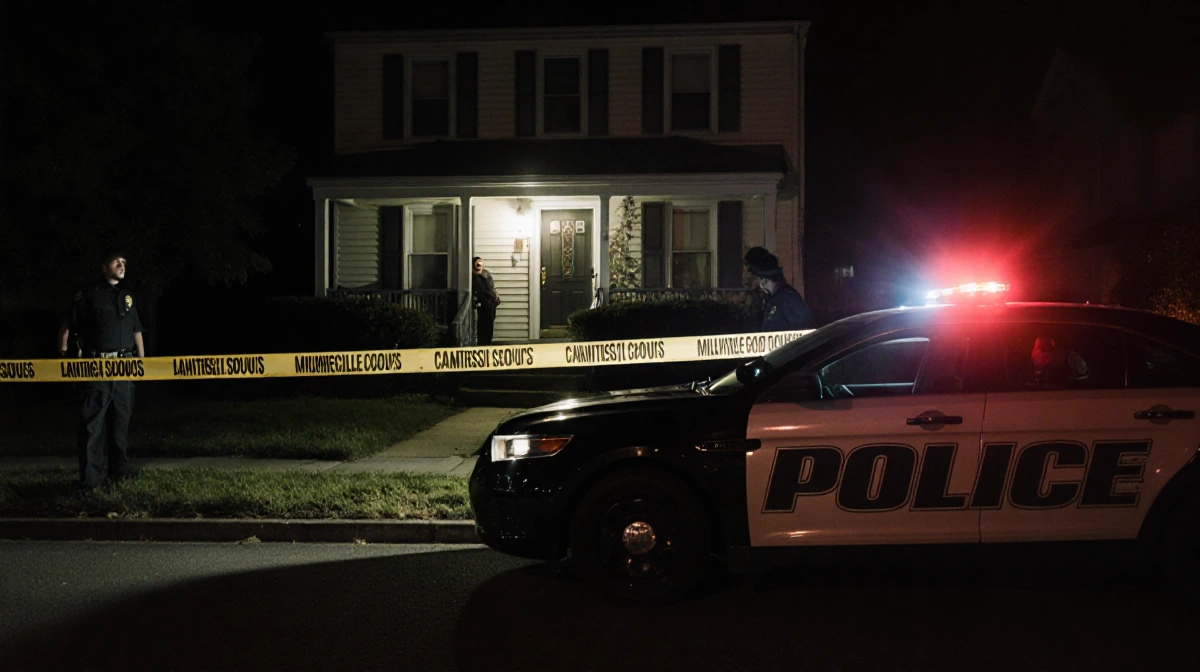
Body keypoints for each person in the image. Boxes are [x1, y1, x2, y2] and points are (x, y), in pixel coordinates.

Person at [57, 249, 145, 489]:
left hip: (125, 368)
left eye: (124, 262)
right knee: (92, 428)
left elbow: (137, 330)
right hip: (95, 368)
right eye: (117, 262)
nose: (122, 265)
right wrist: (63, 354)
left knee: (120, 426)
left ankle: (119, 475)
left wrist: (142, 363)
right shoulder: (87, 293)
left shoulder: (127, 295)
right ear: (103, 267)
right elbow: (68, 325)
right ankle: (90, 481)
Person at [744, 246, 813, 332]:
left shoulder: (788, 299)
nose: (747, 280)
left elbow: (805, 332)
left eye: (752, 276)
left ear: (763, 278)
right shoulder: (771, 300)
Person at [472, 256, 501, 346]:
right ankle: (484, 345)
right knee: (484, 329)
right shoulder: (476, 276)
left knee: (486, 329)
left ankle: (485, 345)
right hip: (485, 305)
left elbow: (490, 289)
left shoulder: (483, 275)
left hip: (488, 305)